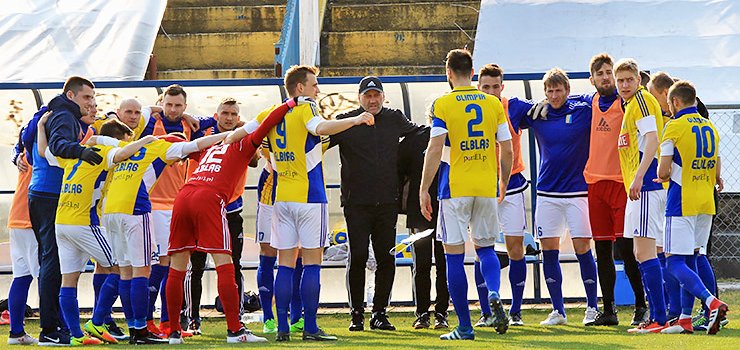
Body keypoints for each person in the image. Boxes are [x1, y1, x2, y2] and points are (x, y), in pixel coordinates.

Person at [165, 98, 310, 345]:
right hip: (209, 199)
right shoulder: (243, 144)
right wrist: (290, 103)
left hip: (184, 196)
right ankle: (235, 330)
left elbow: (180, 145)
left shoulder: (210, 146)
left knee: (177, 268)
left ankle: (173, 332)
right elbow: (266, 123)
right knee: (226, 265)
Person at [250, 65, 374, 342]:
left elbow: (245, 136)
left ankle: (282, 327)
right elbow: (320, 128)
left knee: (284, 265)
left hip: (282, 198)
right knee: (312, 265)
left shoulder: (269, 115)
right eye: (314, 84)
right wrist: (354, 120)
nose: (318, 90)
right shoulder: (306, 108)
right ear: (300, 89)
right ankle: (310, 327)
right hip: (310, 198)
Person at [100, 122, 226, 344]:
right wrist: (230, 134)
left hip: (110, 210)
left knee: (125, 272)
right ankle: (141, 331)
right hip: (135, 209)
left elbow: (98, 139)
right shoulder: (161, 147)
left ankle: (134, 329)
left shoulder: (127, 149)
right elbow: (196, 144)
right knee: (142, 270)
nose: (179, 161)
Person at [39, 114, 157, 346]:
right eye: (125, 140)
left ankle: (76, 336)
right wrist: (147, 140)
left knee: (69, 279)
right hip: (84, 222)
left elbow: (44, 151)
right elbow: (123, 153)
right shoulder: (102, 153)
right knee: (120, 266)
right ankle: (97, 320)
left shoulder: (72, 153)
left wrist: (42, 126)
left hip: (61, 222)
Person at [420, 48, 513, 340]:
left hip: (454, 188)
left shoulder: (442, 104)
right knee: (486, 249)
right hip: (485, 186)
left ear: (448, 74)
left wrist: (424, 188)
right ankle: (495, 293)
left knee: (453, 258)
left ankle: (464, 326)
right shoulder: (492, 103)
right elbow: (507, 149)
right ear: (473, 74)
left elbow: (435, 149)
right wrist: (503, 182)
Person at [509, 68, 600, 326]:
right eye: (549, 90)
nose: (554, 95)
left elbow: (598, 99)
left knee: (583, 247)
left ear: (567, 90)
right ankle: (558, 310)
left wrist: (578, 98)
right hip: (547, 192)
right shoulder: (539, 113)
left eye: (558, 90)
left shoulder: (583, 111)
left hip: (578, 191)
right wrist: (534, 104)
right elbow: (511, 107)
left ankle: (592, 307)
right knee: (549, 249)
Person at [328, 76, 418, 332]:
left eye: (376, 95)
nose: (372, 99)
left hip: (387, 202)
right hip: (356, 202)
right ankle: (356, 314)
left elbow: (418, 135)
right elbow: (320, 141)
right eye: (367, 95)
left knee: (386, 258)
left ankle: (380, 313)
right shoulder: (347, 121)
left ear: (383, 96)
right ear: (360, 98)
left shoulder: (394, 118)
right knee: (356, 256)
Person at [25, 76, 100, 346]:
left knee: (55, 261)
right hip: (49, 194)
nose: (91, 103)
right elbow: (57, 147)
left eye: (93, 98)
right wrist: (81, 152)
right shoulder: (64, 116)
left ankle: (58, 325)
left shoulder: (51, 114)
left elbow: (26, 142)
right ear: (71, 96)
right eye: (87, 97)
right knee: (53, 262)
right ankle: (50, 328)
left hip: (45, 194)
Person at [655, 80, 729, 335]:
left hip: (681, 201)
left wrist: (662, 174)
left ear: (675, 102)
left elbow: (663, 171)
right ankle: (685, 319)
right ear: (694, 101)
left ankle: (711, 302)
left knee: (674, 262)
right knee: (693, 258)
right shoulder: (710, 127)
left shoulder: (674, 126)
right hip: (706, 202)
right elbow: (718, 169)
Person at [579, 53, 647, 326]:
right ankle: (608, 310)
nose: (606, 78)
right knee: (602, 251)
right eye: (602, 74)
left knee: (627, 249)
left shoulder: (628, 102)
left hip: (621, 183)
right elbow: (561, 101)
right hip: (595, 184)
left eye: (610, 73)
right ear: (592, 79)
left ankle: (641, 306)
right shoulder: (590, 102)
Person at [182, 97, 256, 335]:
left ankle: (237, 316)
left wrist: (245, 133)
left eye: (234, 114)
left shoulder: (243, 137)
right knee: (196, 266)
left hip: (231, 209)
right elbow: (183, 123)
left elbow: (254, 161)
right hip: (202, 209)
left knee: (234, 265)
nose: (229, 118)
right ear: (217, 115)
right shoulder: (204, 135)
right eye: (225, 113)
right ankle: (192, 318)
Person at [613, 58, 670, 334]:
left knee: (644, 252)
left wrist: (638, 176)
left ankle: (659, 316)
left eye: (629, 79)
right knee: (649, 252)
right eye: (620, 80)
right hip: (638, 188)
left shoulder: (643, 101)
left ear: (639, 80)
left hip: (645, 186)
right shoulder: (631, 105)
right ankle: (665, 313)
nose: (624, 85)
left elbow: (652, 139)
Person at [476, 63, 529, 327]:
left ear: (502, 87)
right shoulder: (471, 109)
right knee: (482, 248)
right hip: (483, 184)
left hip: (513, 184)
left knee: (515, 248)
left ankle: (516, 311)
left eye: (495, 86)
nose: (491, 91)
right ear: (478, 87)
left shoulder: (514, 107)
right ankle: (486, 311)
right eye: (486, 86)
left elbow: (542, 108)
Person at [399, 122, 449, 330]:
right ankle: (422, 314)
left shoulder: (452, 138)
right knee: (421, 264)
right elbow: (399, 171)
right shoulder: (414, 139)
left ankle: (441, 313)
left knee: (444, 263)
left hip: (446, 207)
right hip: (419, 210)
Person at [6, 125, 40, 346]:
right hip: (32, 220)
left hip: (16, 218)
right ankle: (56, 329)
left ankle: (16, 333)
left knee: (22, 276)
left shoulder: (24, 153)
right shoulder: (40, 152)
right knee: (47, 278)